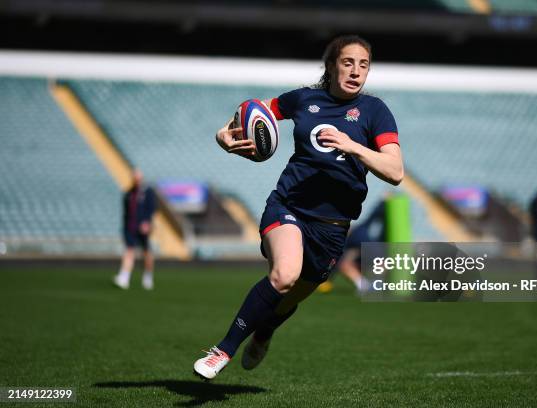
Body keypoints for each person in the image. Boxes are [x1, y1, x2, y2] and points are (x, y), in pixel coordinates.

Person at [194, 35, 404, 380]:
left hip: (333, 227)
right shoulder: (304, 99)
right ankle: (223, 351)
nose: (355, 71)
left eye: (363, 65)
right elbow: (255, 113)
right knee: (283, 276)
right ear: (332, 65)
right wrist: (224, 135)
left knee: (287, 301)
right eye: (347, 62)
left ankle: (265, 331)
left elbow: (395, 171)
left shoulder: (375, 112)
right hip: (288, 206)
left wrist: (354, 146)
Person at [113, 169, 157, 290]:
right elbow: (126, 214)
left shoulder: (148, 192)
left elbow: (151, 208)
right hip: (130, 228)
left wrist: (147, 223)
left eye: (139, 177)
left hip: (143, 227)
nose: (137, 179)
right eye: (135, 177)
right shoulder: (128, 194)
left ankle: (148, 276)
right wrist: (124, 228)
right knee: (129, 251)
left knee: (147, 253)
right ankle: (124, 277)